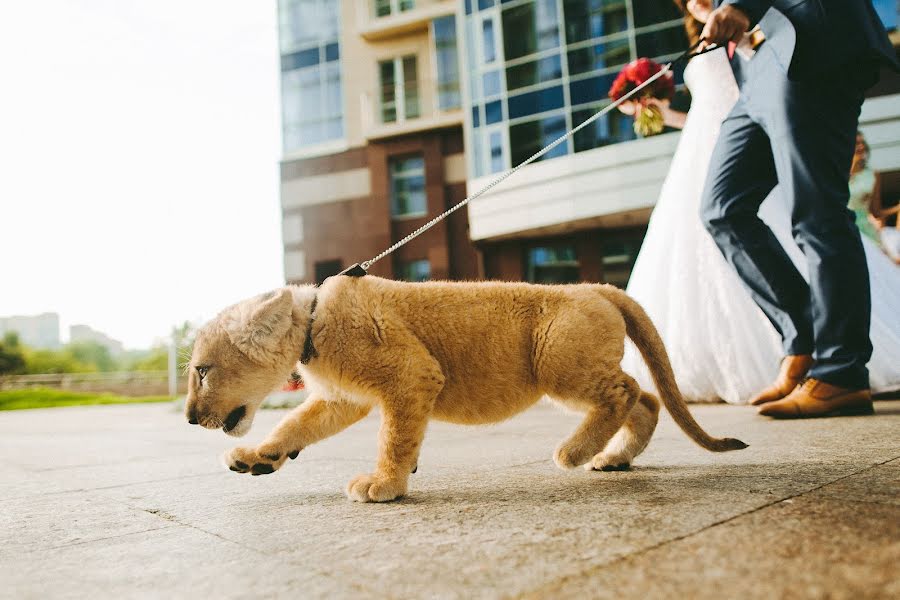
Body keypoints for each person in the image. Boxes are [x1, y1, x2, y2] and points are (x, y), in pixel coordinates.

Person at [619, 0, 900, 409]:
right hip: (758, 70)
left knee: (816, 213)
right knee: (721, 207)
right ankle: (802, 337)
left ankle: (841, 372)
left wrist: (739, 4)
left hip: (811, 41)